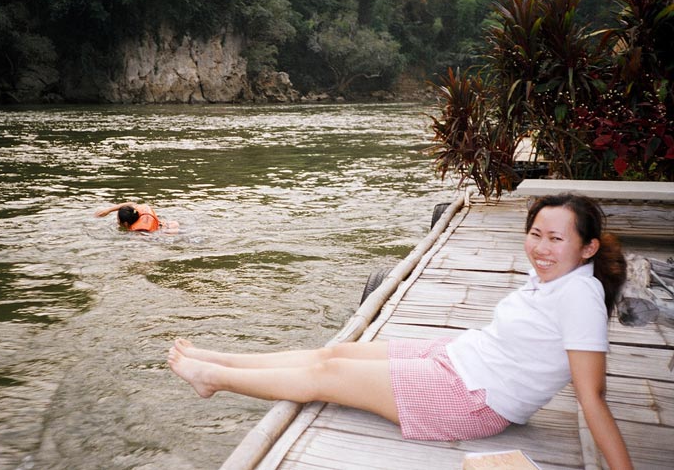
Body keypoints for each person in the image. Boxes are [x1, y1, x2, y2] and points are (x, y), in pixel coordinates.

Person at [168, 193, 633, 469]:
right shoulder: (558, 279)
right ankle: (221, 360)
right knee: (336, 354)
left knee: (324, 376)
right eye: (536, 234)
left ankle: (214, 378)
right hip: (459, 357)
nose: (541, 248)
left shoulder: (580, 298)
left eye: (556, 239)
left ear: (588, 247)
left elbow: (592, 396)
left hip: (473, 399)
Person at [94, 202, 179, 233]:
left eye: (118, 220)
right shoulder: (135, 211)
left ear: (126, 224)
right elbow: (131, 204)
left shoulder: (139, 232)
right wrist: (108, 210)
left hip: (166, 232)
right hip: (170, 224)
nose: (117, 222)